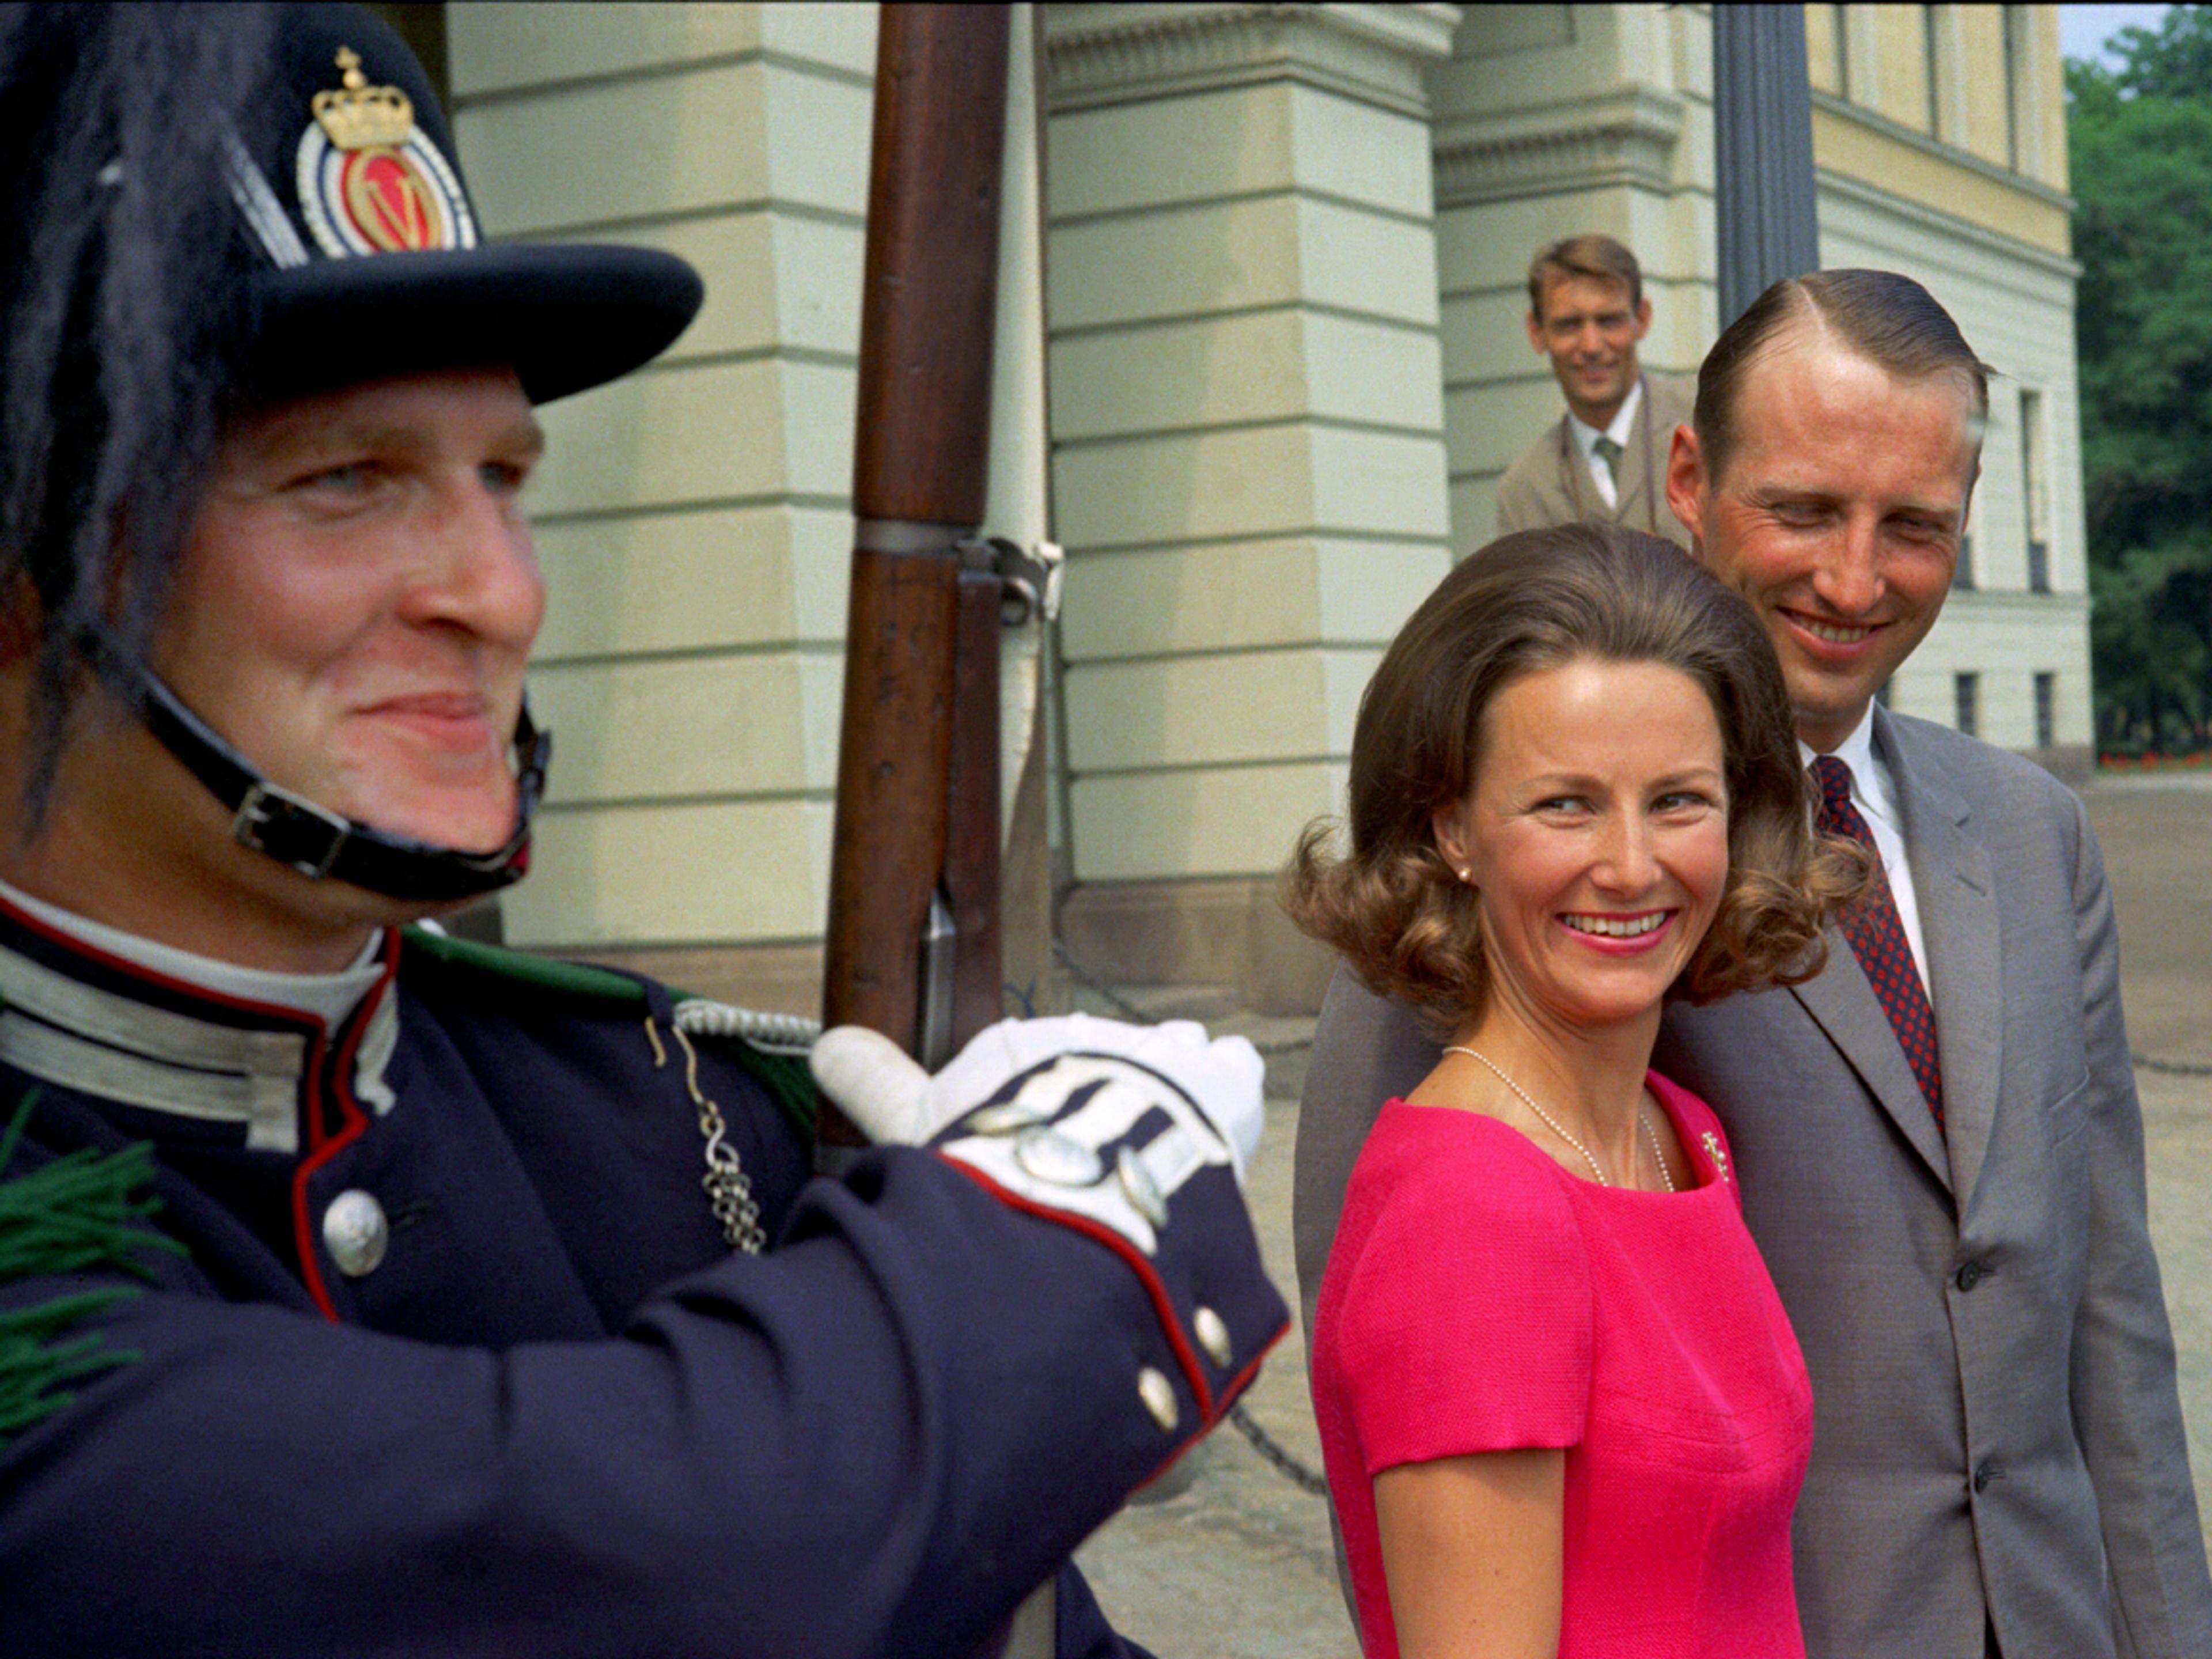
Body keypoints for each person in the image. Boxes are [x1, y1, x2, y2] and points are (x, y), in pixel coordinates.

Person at [0, 9, 1287, 1657]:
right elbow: (648, 1562)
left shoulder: (668, 1116)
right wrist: (1062, 1231)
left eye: (503, 477)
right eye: (347, 479)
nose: (499, 590)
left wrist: (1011, 1523)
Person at [1294, 270, 2212, 1658]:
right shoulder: (1527, 859)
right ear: (1687, 478)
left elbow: (2109, 1320)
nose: (1853, 579)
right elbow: (1400, 1378)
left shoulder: (2036, 834)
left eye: (1911, 525)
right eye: (1802, 509)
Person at [1286, 524, 1863, 1657]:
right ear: (1453, 828)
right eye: (1566, 804)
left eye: (1679, 800)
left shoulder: (1682, 1131)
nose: (1633, 866)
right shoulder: (1469, 1213)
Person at [1494, 235, 1695, 552]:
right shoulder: (1525, 490)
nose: (1591, 346)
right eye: (1569, 325)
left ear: (1642, 319)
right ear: (1536, 331)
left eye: (1609, 321)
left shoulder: (1705, 418)